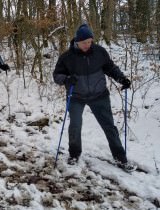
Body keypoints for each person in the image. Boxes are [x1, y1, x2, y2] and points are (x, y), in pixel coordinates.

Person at [53, 24, 135, 171]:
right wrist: (66, 79)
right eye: (84, 42)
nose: (87, 45)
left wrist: (122, 78)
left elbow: (110, 68)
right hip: (77, 96)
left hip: (99, 96)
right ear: (77, 41)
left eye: (90, 41)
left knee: (109, 127)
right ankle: (74, 154)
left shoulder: (99, 52)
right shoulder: (67, 57)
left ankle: (121, 158)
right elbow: (57, 75)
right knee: (75, 126)